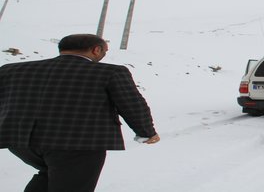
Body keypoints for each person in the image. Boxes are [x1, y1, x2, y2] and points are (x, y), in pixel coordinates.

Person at [0, 34, 159, 192]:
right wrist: (146, 132)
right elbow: (131, 104)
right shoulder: (110, 72)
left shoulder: (11, 70)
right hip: (76, 143)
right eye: (105, 51)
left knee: (52, 175)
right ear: (96, 50)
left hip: (21, 142)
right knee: (72, 184)